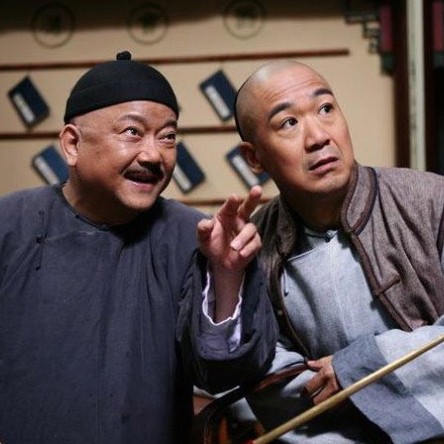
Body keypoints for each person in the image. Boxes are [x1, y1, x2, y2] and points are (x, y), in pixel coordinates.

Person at [0, 51, 277, 444]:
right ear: (72, 144)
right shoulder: (12, 224)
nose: (153, 155)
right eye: (132, 132)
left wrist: (227, 276)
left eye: (168, 137)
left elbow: (222, 375)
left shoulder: (193, 235)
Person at [234, 59, 444, 443]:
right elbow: (265, 375)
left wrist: (359, 368)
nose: (318, 136)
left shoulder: (431, 201)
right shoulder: (254, 244)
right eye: (289, 123)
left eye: (326, 108)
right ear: (254, 157)